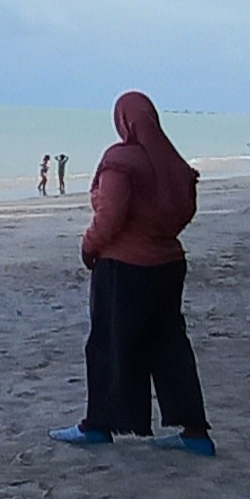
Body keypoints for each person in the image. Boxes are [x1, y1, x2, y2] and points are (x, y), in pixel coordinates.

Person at [50, 91, 213, 456]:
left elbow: (110, 214)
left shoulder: (120, 160)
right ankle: (195, 432)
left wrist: (89, 246)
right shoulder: (172, 164)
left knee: (108, 345)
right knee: (171, 347)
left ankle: (99, 426)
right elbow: (183, 210)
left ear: (122, 121)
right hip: (169, 265)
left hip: (123, 268)